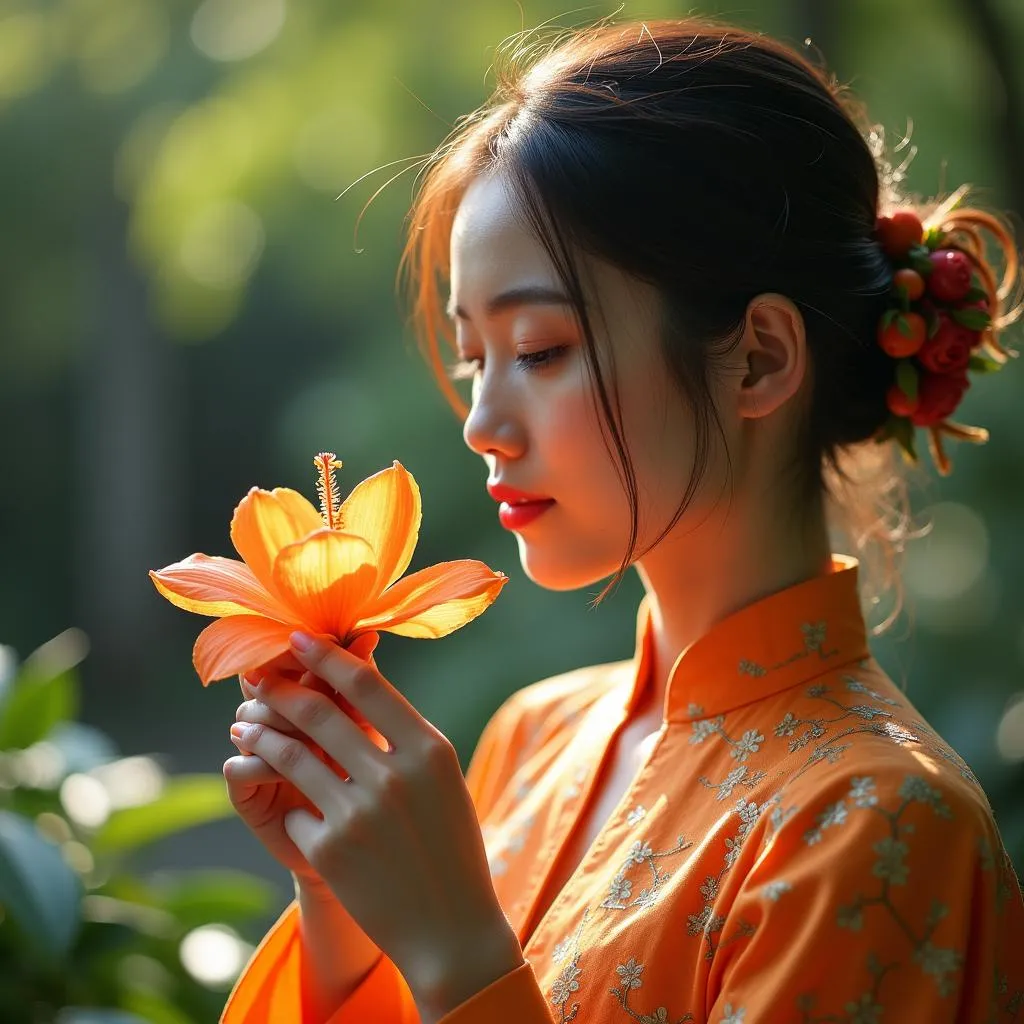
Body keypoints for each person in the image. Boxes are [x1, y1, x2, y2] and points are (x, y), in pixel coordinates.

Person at [218, 15, 1024, 1024]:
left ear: (761, 357)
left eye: (543, 349)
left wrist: (460, 951)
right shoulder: (531, 735)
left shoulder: (879, 823)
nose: (481, 423)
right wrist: (341, 904)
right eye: (475, 357)